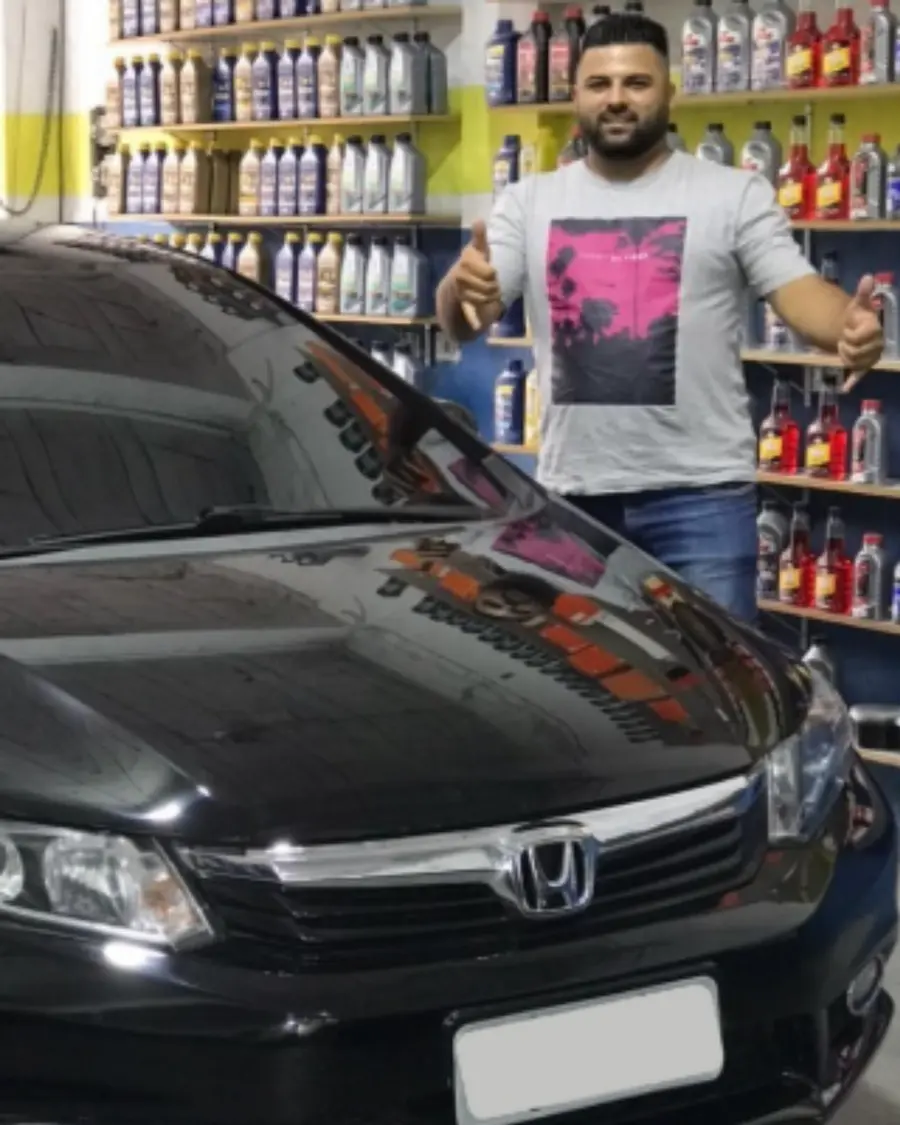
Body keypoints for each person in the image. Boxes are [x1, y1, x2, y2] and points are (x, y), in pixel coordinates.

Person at [435, 13, 884, 622]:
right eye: (600, 84)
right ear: (576, 95)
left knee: (717, 675)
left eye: (637, 83)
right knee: (587, 671)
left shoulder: (732, 194)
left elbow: (799, 293)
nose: (617, 98)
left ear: (670, 91)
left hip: (701, 501)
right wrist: (458, 289)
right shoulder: (529, 201)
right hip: (575, 501)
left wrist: (848, 327)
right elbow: (467, 316)